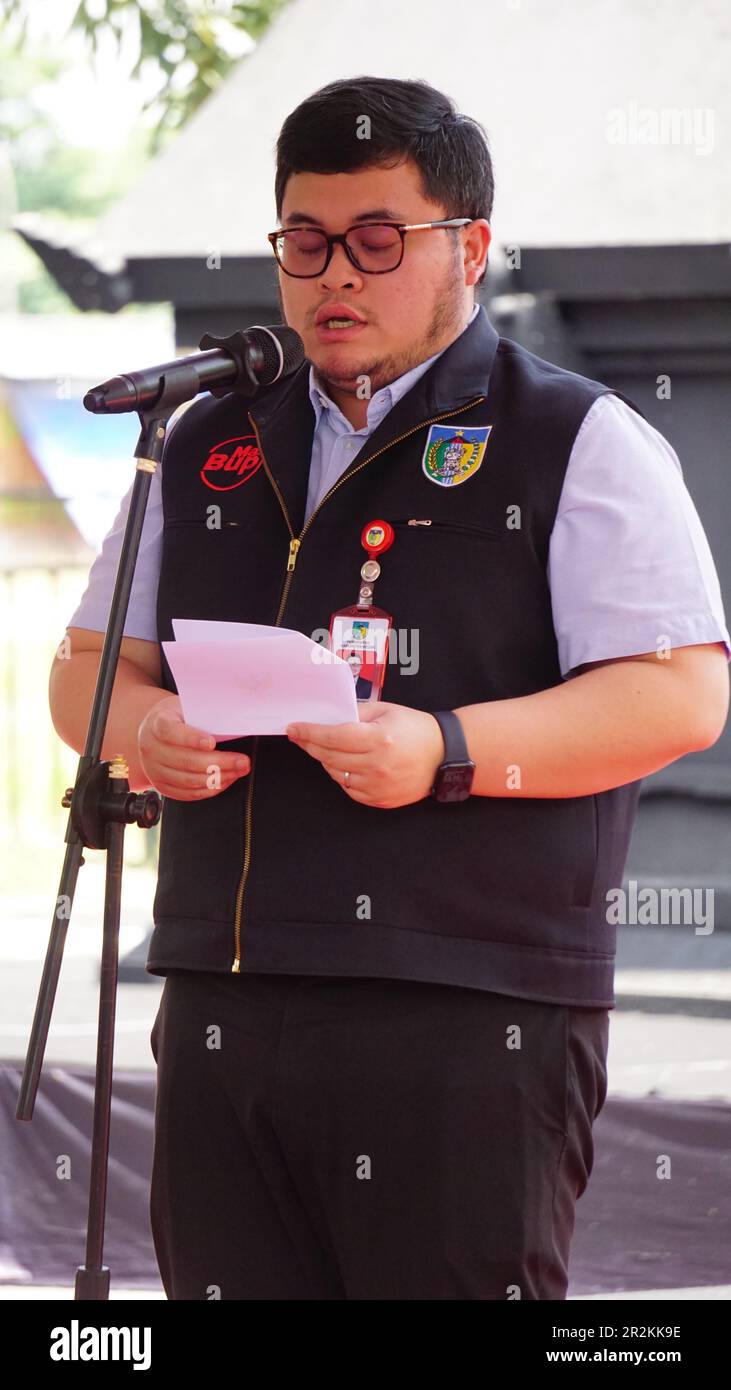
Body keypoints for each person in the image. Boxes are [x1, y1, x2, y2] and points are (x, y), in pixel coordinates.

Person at [48, 76, 731, 1301]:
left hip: (470, 1012)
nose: (333, 278)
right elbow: (89, 668)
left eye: (375, 242)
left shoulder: (576, 436)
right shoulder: (205, 437)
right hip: (227, 994)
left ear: (467, 249)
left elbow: (678, 694)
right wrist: (148, 731)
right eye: (304, 244)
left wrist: (446, 746)